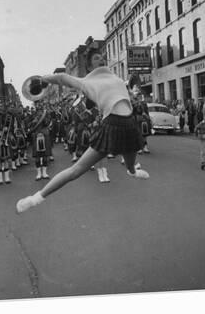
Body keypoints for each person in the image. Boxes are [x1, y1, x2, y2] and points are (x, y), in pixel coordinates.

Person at [16, 50, 149, 213]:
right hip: (112, 124)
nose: (101, 59)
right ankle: (35, 198)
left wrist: (133, 92)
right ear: (88, 65)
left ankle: (132, 171)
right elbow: (62, 78)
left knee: (130, 166)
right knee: (75, 170)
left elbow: (127, 94)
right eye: (96, 58)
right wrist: (43, 79)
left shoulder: (116, 78)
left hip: (129, 124)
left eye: (101, 57)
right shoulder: (86, 81)